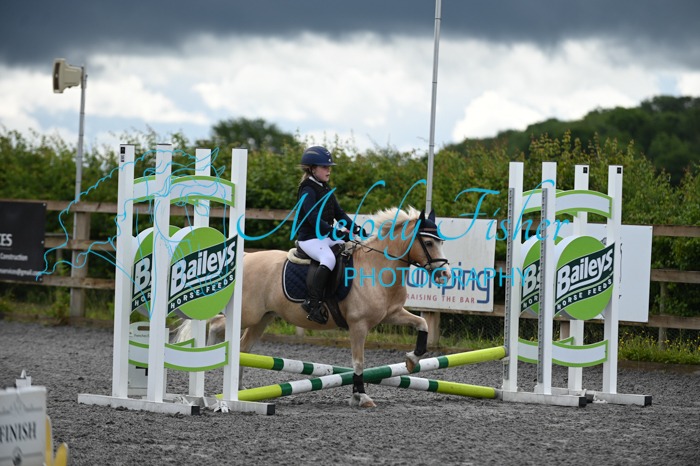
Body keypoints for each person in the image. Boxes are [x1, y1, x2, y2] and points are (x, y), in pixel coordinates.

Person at [296, 145, 365, 324]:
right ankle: (312, 303)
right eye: (324, 167)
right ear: (313, 169)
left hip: (323, 237)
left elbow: (339, 214)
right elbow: (313, 219)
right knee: (329, 259)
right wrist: (336, 233)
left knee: (351, 248)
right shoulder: (307, 190)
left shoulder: (325, 188)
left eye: (329, 167)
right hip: (309, 238)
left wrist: (356, 229)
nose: (329, 170)